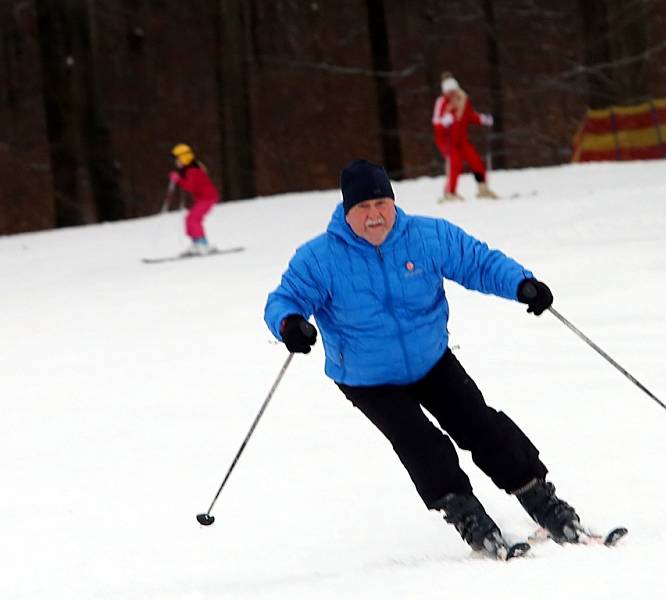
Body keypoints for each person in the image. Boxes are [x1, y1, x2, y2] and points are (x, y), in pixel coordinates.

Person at [264, 159, 585, 560]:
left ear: (393, 204)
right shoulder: (320, 258)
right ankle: (465, 513)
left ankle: (538, 497)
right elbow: (286, 299)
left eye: (381, 203)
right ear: (347, 212)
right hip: (367, 377)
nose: (374, 215)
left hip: (430, 359)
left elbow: (478, 262)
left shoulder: (426, 237)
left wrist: (522, 285)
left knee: (480, 426)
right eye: (362, 208)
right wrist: (290, 324)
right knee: (421, 443)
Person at [431, 72, 498, 202]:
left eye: (453, 91)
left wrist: (483, 119)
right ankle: (450, 193)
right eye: (449, 92)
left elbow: (470, 116)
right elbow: (436, 121)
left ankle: (482, 188)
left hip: (461, 140)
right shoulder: (442, 102)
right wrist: (444, 121)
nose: (452, 95)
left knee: (475, 160)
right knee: (455, 163)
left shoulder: (463, 100)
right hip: (446, 140)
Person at [167, 143, 220, 255]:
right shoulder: (189, 170)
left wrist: (178, 179)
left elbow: (190, 186)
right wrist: (179, 177)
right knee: (190, 219)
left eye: (177, 160)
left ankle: (202, 244)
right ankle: (197, 243)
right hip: (203, 198)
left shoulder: (193, 170)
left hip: (207, 198)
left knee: (193, 219)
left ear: (184, 158)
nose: (176, 163)